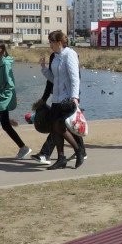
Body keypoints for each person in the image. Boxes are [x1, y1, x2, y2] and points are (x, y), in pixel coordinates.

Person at [43, 30, 85, 169]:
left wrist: (75, 97)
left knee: (59, 127)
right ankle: (61, 158)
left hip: (67, 98)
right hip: (56, 98)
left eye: (51, 42)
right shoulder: (55, 56)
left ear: (59, 42)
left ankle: (78, 150)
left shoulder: (70, 54)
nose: (50, 45)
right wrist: (43, 69)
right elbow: (54, 79)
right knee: (55, 129)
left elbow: (75, 78)